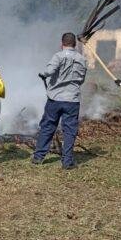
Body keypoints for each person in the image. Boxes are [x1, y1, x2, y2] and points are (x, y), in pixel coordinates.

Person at [32, 32, 87, 170]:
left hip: (55, 99)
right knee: (69, 131)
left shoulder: (58, 56)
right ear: (75, 44)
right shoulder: (82, 59)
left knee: (48, 127)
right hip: (72, 100)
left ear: (61, 43)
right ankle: (67, 161)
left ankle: (38, 157)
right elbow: (82, 79)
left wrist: (43, 74)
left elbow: (50, 70)